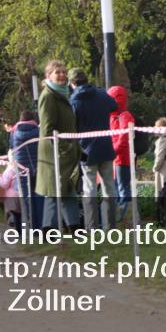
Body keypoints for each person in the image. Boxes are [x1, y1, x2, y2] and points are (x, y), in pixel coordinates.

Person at [68, 68, 119, 230]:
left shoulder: (74, 101)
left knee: (89, 187)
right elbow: (114, 105)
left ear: (72, 83)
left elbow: (72, 125)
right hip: (105, 146)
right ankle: (110, 226)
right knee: (109, 186)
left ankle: (91, 227)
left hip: (87, 150)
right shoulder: (101, 94)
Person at [34, 60, 82, 231]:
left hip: (66, 151)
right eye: (57, 72)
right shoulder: (48, 97)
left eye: (63, 71)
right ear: (49, 76)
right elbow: (47, 130)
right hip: (54, 153)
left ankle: (74, 227)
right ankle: (48, 230)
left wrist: (77, 149)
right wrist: (66, 148)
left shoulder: (64, 95)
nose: (62, 75)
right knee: (54, 192)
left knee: (67, 190)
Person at [9, 110, 42, 229]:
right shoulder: (38, 131)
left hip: (21, 170)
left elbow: (12, 148)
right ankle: (39, 226)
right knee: (38, 197)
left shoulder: (14, 132)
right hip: (37, 168)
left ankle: (26, 228)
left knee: (24, 199)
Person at [107, 85, 136, 221]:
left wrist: (113, 151)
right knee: (118, 189)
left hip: (122, 159)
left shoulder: (124, 115)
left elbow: (124, 138)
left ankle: (126, 218)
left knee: (123, 189)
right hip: (115, 158)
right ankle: (122, 218)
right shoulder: (112, 116)